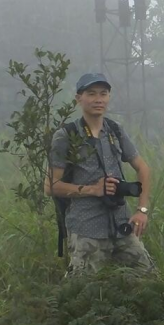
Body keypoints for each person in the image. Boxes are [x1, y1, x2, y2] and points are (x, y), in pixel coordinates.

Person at [46, 73, 152, 273]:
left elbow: (143, 168)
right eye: (91, 94)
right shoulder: (66, 135)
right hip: (86, 228)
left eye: (103, 94)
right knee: (83, 292)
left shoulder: (114, 130)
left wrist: (142, 210)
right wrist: (94, 190)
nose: (98, 99)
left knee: (147, 280)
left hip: (121, 224)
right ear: (79, 98)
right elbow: (51, 186)